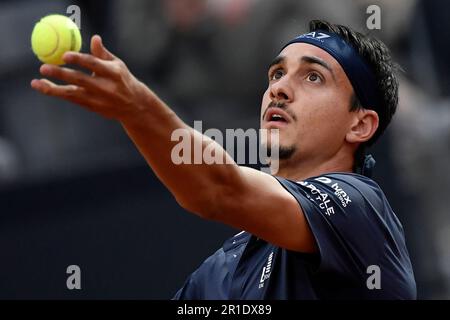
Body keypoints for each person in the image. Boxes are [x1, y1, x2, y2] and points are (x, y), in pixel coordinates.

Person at [31, 19, 416, 299]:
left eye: (313, 77)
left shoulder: (362, 210)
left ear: (360, 125)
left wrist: (136, 108)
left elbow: (217, 189)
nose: (279, 88)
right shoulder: (223, 268)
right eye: (276, 74)